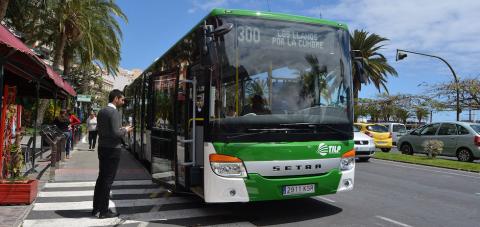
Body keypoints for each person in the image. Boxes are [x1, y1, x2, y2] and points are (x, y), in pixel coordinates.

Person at [92, 89, 133, 219]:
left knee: (101, 178)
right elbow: (116, 133)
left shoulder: (101, 111)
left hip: (102, 147)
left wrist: (119, 130)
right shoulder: (114, 112)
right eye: (122, 99)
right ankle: (104, 211)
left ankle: (96, 208)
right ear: (115, 98)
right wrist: (125, 130)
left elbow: (102, 130)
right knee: (108, 180)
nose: (123, 101)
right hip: (112, 149)